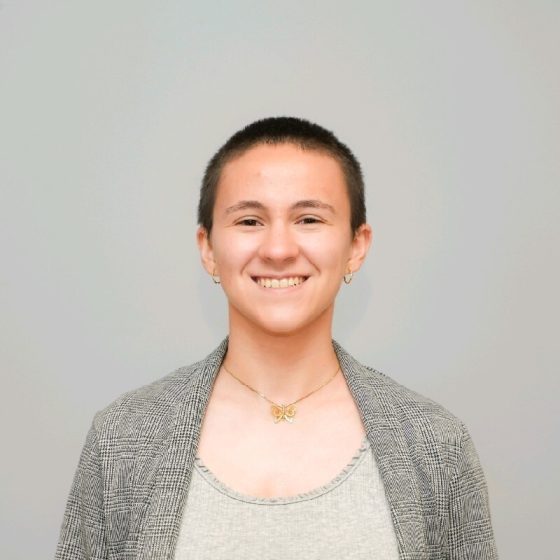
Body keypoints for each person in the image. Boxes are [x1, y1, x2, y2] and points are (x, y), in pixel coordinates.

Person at [55, 117, 498, 559]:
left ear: (356, 246)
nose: (279, 250)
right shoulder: (122, 439)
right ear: (208, 248)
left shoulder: (437, 446)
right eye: (250, 221)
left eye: (309, 219)